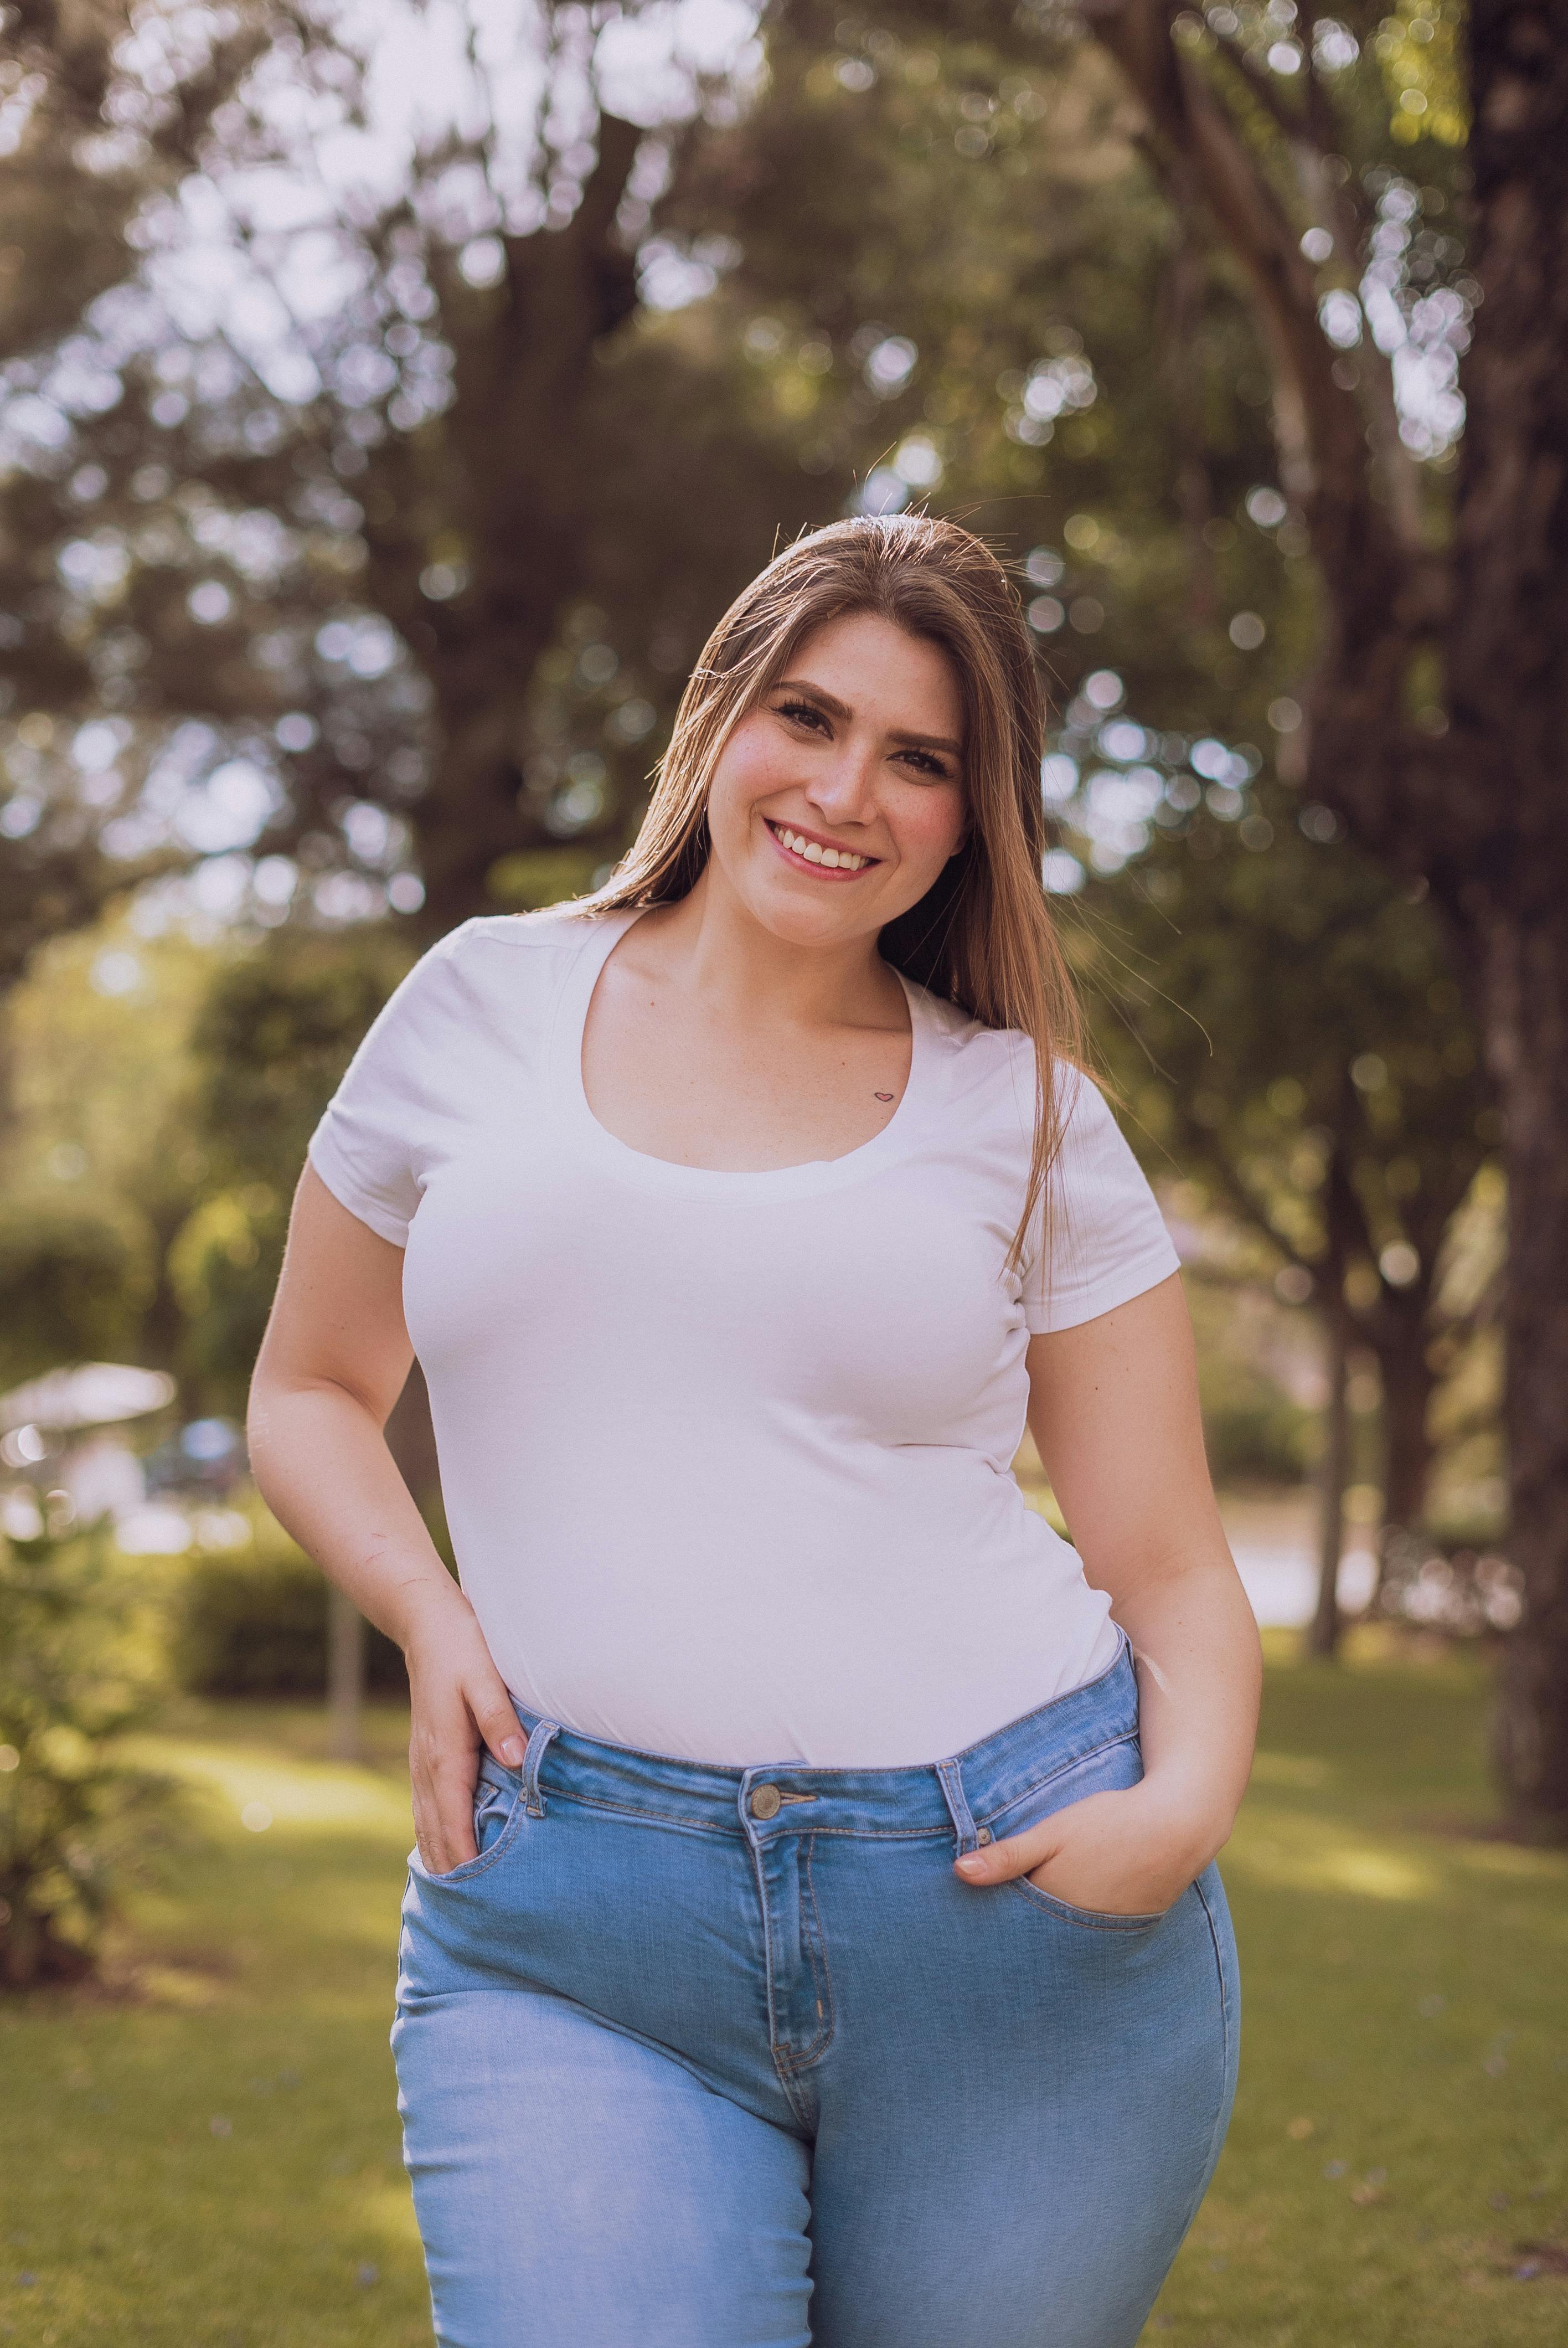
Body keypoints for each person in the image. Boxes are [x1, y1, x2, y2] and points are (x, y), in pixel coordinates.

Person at [247, 514, 1261, 2348]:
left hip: (1009, 1921)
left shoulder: (1025, 1112)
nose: (846, 789)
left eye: (921, 758)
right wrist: (429, 1612)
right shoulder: (480, 1003)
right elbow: (310, 1388)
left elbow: (1170, 1562)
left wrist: (1177, 1816)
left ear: (972, 814)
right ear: (721, 717)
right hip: (571, 1927)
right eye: (809, 716)